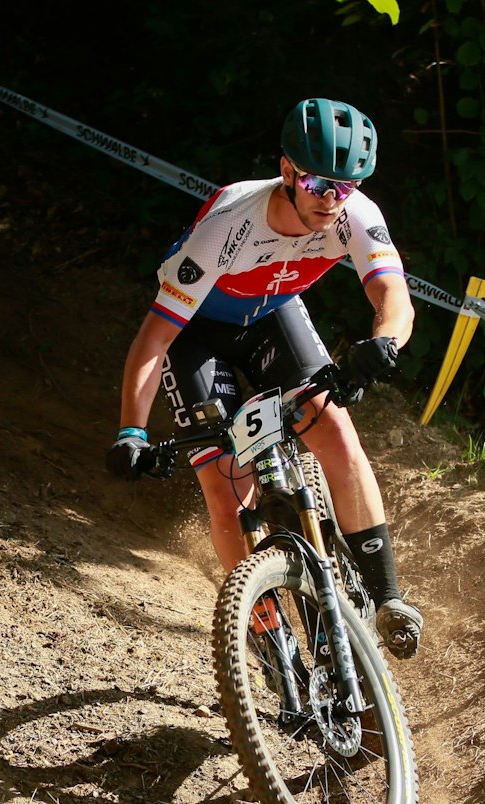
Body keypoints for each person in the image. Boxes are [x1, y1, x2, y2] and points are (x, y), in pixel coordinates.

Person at [104, 97, 423, 658]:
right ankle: (269, 637)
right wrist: (132, 431)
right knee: (227, 484)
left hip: (273, 313)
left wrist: (384, 343)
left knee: (334, 428)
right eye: (318, 183)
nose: (331, 200)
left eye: (345, 187)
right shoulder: (229, 222)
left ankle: (387, 597)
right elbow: (154, 339)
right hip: (197, 334)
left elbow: (392, 295)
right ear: (288, 172)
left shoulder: (355, 213)